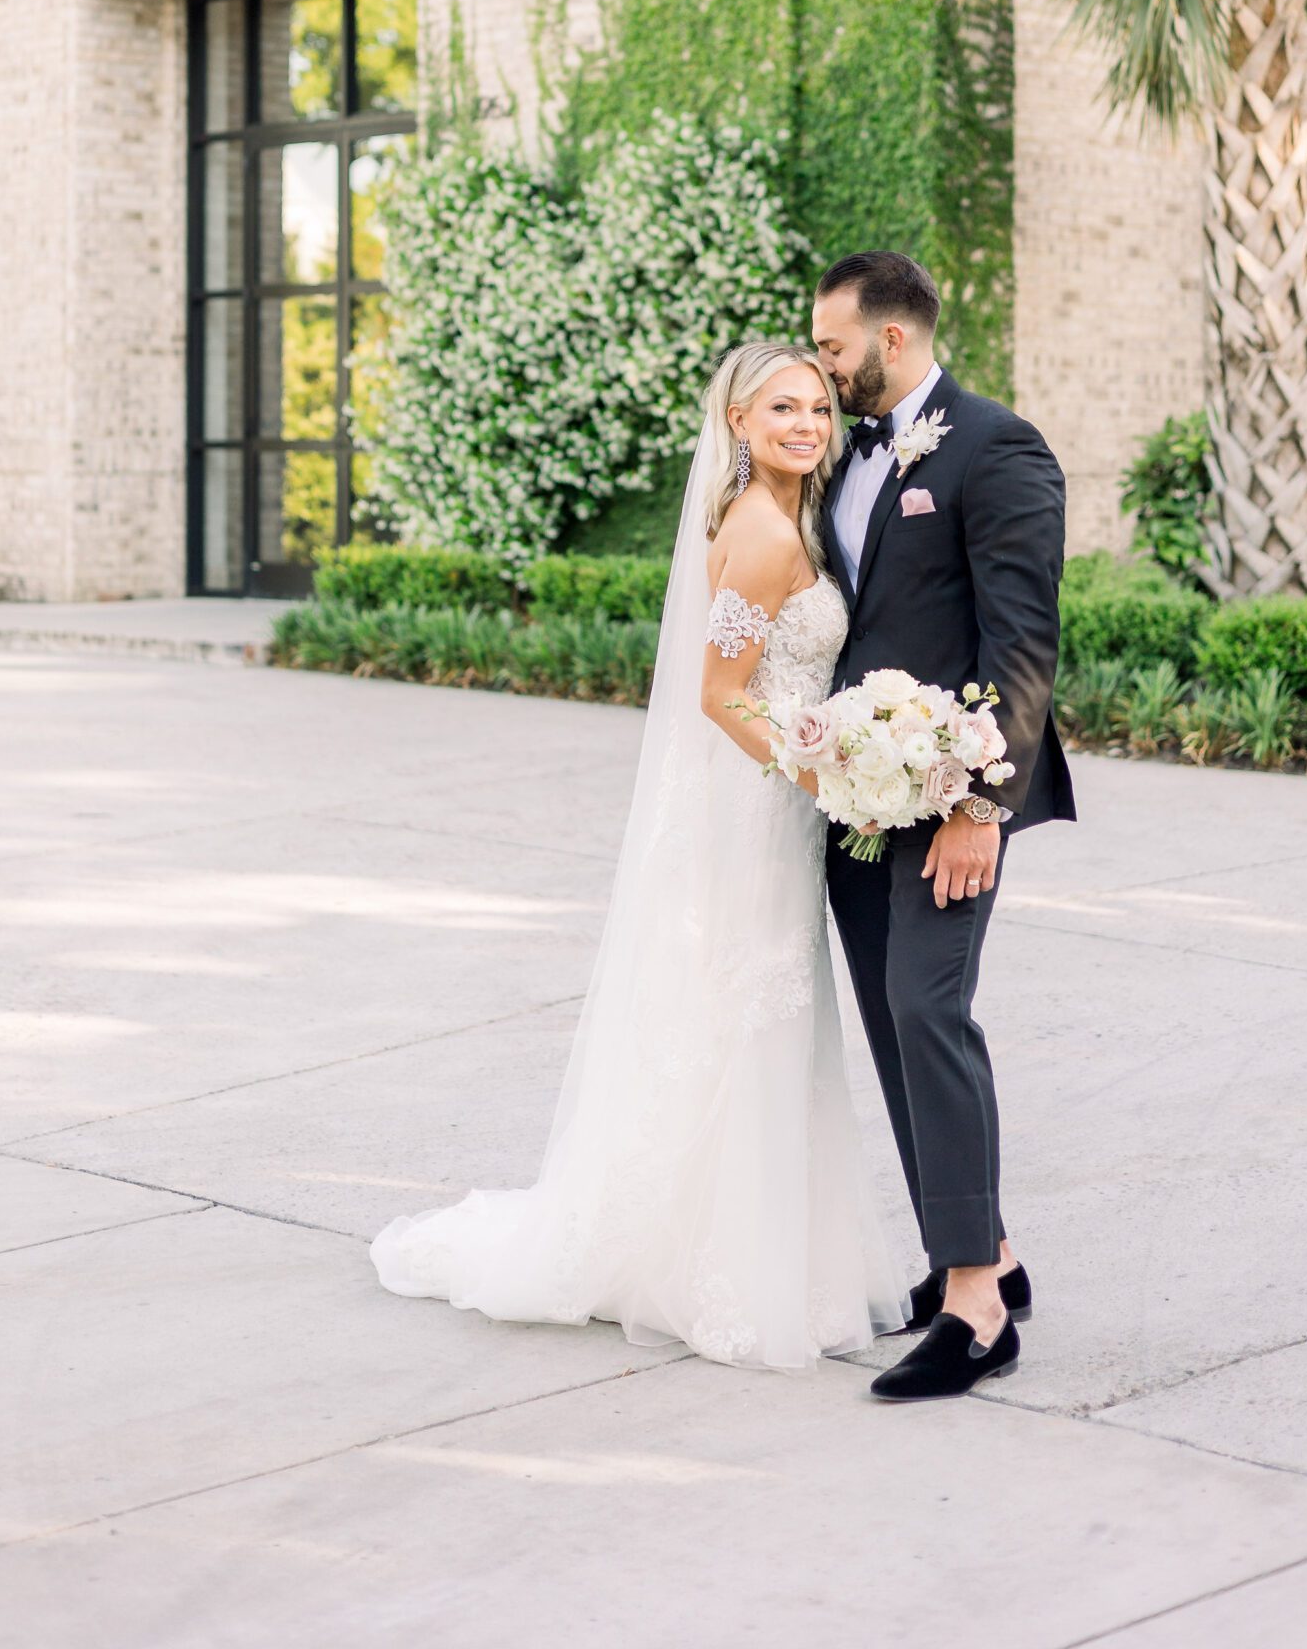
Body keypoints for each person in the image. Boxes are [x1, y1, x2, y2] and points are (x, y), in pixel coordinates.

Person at [369, 343, 915, 1369]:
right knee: (749, 1014)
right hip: (758, 812)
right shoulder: (760, 531)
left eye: (816, 408)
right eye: (781, 408)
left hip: (776, 804)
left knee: (759, 1020)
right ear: (740, 424)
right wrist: (831, 781)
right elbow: (721, 693)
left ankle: (757, 1251)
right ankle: (719, 1267)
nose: (806, 423)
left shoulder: (791, 513)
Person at [812, 250, 1075, 1401]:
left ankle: (976, 1307)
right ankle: (980, 1249)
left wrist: (980, 805)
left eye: (833, 348)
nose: (821, 369)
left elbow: (1021, 642)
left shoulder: (997, 448)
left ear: (895, 340)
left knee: (930, 1007)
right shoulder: (837, 457)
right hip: (856, 799)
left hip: (958, 792)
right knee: (888, 1022)